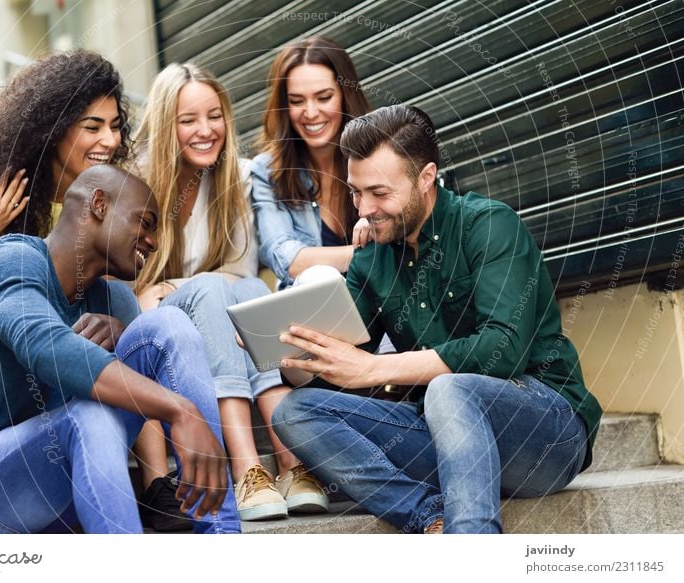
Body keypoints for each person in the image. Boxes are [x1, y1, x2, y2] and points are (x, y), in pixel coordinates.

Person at [271, 105, 603, 534]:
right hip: (446, 440)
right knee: (294, 412)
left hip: (545, 436)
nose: (364, 209)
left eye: (379, 193)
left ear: (426, 177)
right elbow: (340, 364)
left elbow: (500, 351)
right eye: (356, 192)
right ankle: (427, 514)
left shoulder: (487, 225)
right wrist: (286, 345)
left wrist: (374, 368)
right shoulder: (371, 256)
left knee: (449, 388)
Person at [0, 165, 240, 534]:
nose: (152, 242)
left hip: (58, 494)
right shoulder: (9, 260)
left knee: (167, 325)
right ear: (99, 204)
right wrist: (180, 410)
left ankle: (222, 536)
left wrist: (123, 340)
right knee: (88, 415)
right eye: (146, 222)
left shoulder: (112, 300)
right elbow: (46, 348)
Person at [133, 63, 328, 522]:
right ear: (166, 126)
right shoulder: (134, 180)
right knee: (217, 290)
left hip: (216, 314)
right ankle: (247, 468)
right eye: (188, 120)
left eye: (214, 116)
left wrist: (170, 285)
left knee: (241, 287)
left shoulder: (235, 177)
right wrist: (177, 288)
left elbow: (237, 270)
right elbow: (128, 287)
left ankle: (290, 466)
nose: (206, 131)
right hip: (161, 328)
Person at [0, 49, 139, 391]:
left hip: (42, 351)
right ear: (54, 129)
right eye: (93, 127)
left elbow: (107, 301)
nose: (109, 141)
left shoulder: (110, 199)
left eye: (115, 126)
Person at [251, 36, 371, 290]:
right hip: (313, 309)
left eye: (324, 97)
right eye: (296, 101)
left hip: (382, 305)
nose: (311, 112)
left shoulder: (378, 154)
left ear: (345, 95)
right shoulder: (267, 171)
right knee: (318, 278)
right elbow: (285, 258)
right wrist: (368, 253)